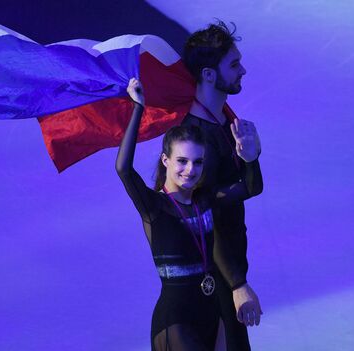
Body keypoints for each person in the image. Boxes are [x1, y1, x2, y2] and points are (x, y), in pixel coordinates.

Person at [116, 78, 262, 350]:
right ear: (165, 160)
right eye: (182, 161)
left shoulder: (205, 200)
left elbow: (251, 188)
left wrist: (251, 158)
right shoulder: (154, 206)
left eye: (197, 162)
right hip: (175, 322)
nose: (190, 169)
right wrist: (138, 108)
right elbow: (124, 169)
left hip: (211, 313)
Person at [181, 21, 263, 350]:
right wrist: (238, 284)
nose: (242, 70)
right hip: (210, 278)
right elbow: (204, 217)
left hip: (227, 269)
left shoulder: (226, 123)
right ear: (209, 74)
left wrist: (251, 158)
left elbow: (251, 189)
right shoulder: (194, 137)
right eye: (233, 64)